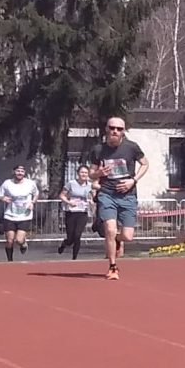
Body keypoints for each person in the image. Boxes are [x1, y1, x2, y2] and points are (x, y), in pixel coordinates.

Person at [91, 115, 147, 279]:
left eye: (119, 129)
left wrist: (133, 180)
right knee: (110, 229)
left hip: (127, 195)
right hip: (107, 194)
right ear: (106, 129)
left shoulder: (131, 147)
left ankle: (117, 239)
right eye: (112, 128)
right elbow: (91, 174)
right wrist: (99, 173)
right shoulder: (98, 150)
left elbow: (145, 164)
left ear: (123, 131)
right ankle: (113, 267)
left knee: (128, 236)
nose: (115, 131)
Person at [0, 160, 40, 261]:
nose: (20, 173)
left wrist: (32, 202)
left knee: (19, 240)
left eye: (22, 171)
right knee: (10, 240)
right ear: (14, 172)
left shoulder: (30, 183)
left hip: (25, 215)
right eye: (18, 171)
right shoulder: (7, 183)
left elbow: (36, 194)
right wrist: (3, 198)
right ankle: (10, 261)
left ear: (24, 173)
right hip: (10, 215)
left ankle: (23, 243)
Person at [58, 160, 95, 258]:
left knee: (77, 235)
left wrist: (92, 201)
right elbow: (61, 195)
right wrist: (69, 202)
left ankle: (75, 258)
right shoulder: (71, 183)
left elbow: (93, 196)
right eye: (82, 172)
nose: (84, 174)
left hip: (83, 212)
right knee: (70, 238)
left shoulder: (90, 185)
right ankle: (65, 243)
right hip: (71, 212)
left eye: (86, 173)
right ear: (78, 173)